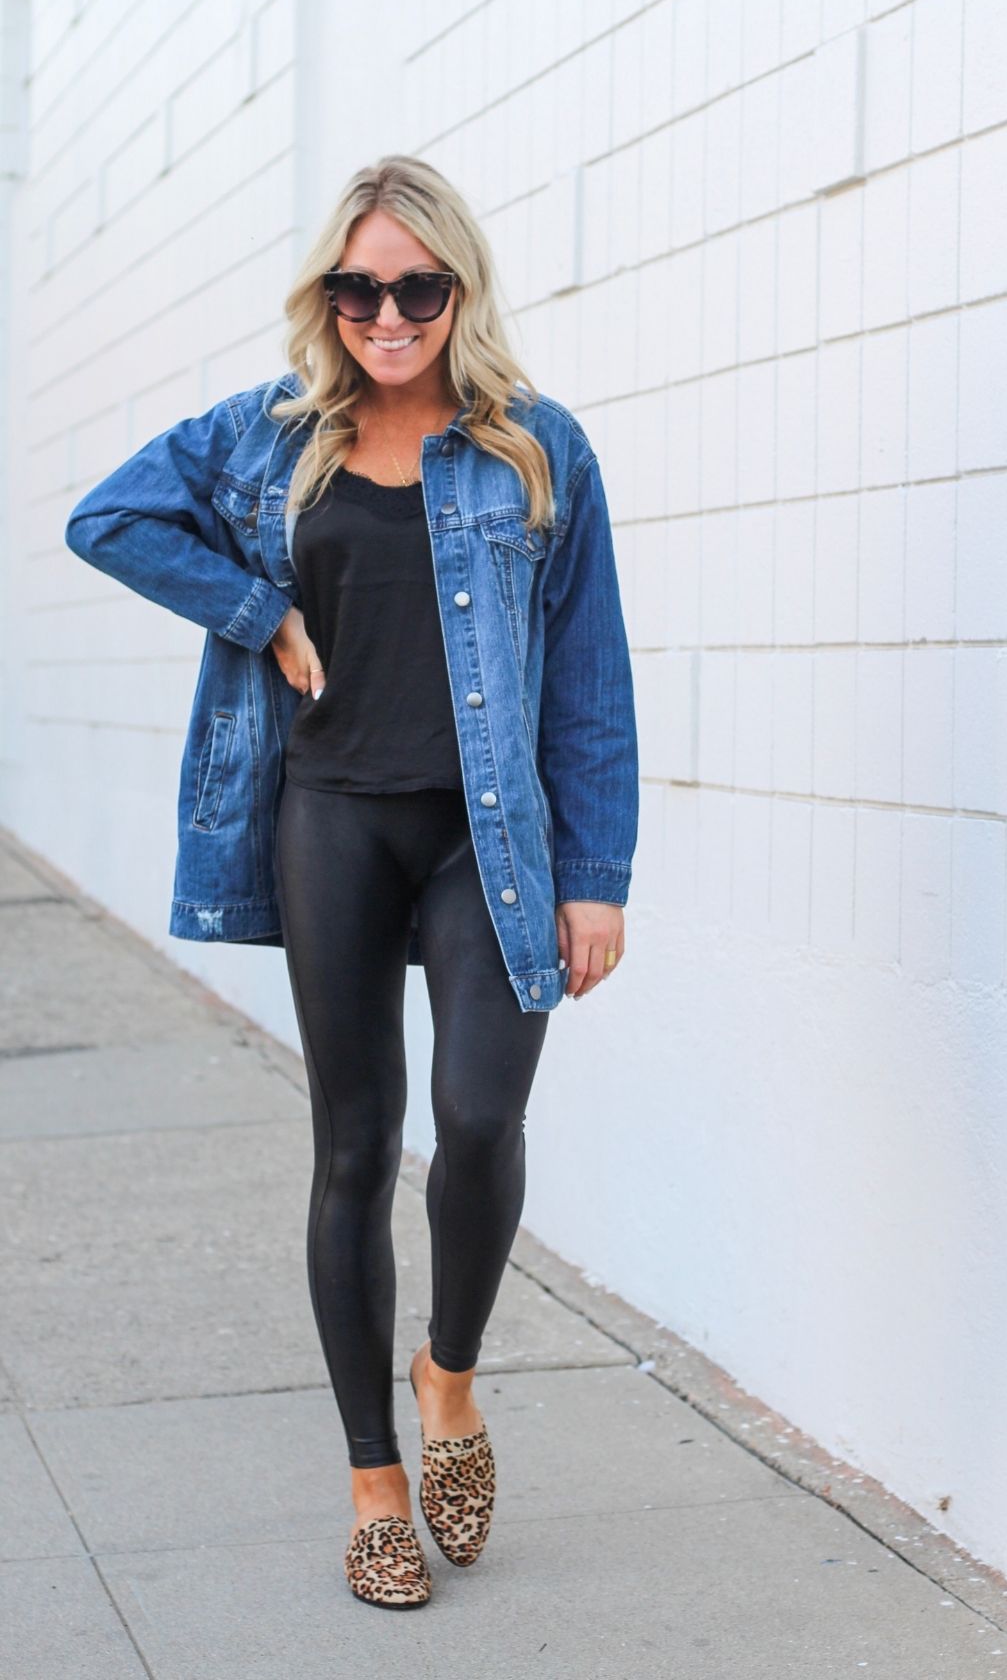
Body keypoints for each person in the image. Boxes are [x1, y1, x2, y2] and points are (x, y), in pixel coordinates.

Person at [63, 154, 639, 1610]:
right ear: (331, 295)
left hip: (484, 841)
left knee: (480, 1117)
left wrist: (597, 874)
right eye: (361, 288)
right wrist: (256, 609)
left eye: (418, 289)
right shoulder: (269, 438)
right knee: (350, 1146)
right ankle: (376, 1481)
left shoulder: (534, 447)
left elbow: (588, 674)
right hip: (328, 821)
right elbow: (108, 517)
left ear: (460, 289)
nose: (389, 315)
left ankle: (448, 1374)